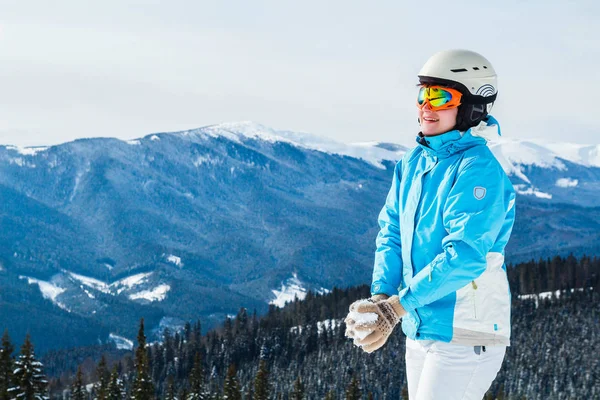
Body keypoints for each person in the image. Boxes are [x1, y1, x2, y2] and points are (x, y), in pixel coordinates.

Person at [344, 49, 516, 399]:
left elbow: (465, 256)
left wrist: (395, 308)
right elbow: (391, 234)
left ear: (472, 106)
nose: (426, 106)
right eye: (423, 95)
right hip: (421, 328)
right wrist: (381, 297)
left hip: (466, 331)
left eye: (440, 97)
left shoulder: (477, 169)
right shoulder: (413, 162)